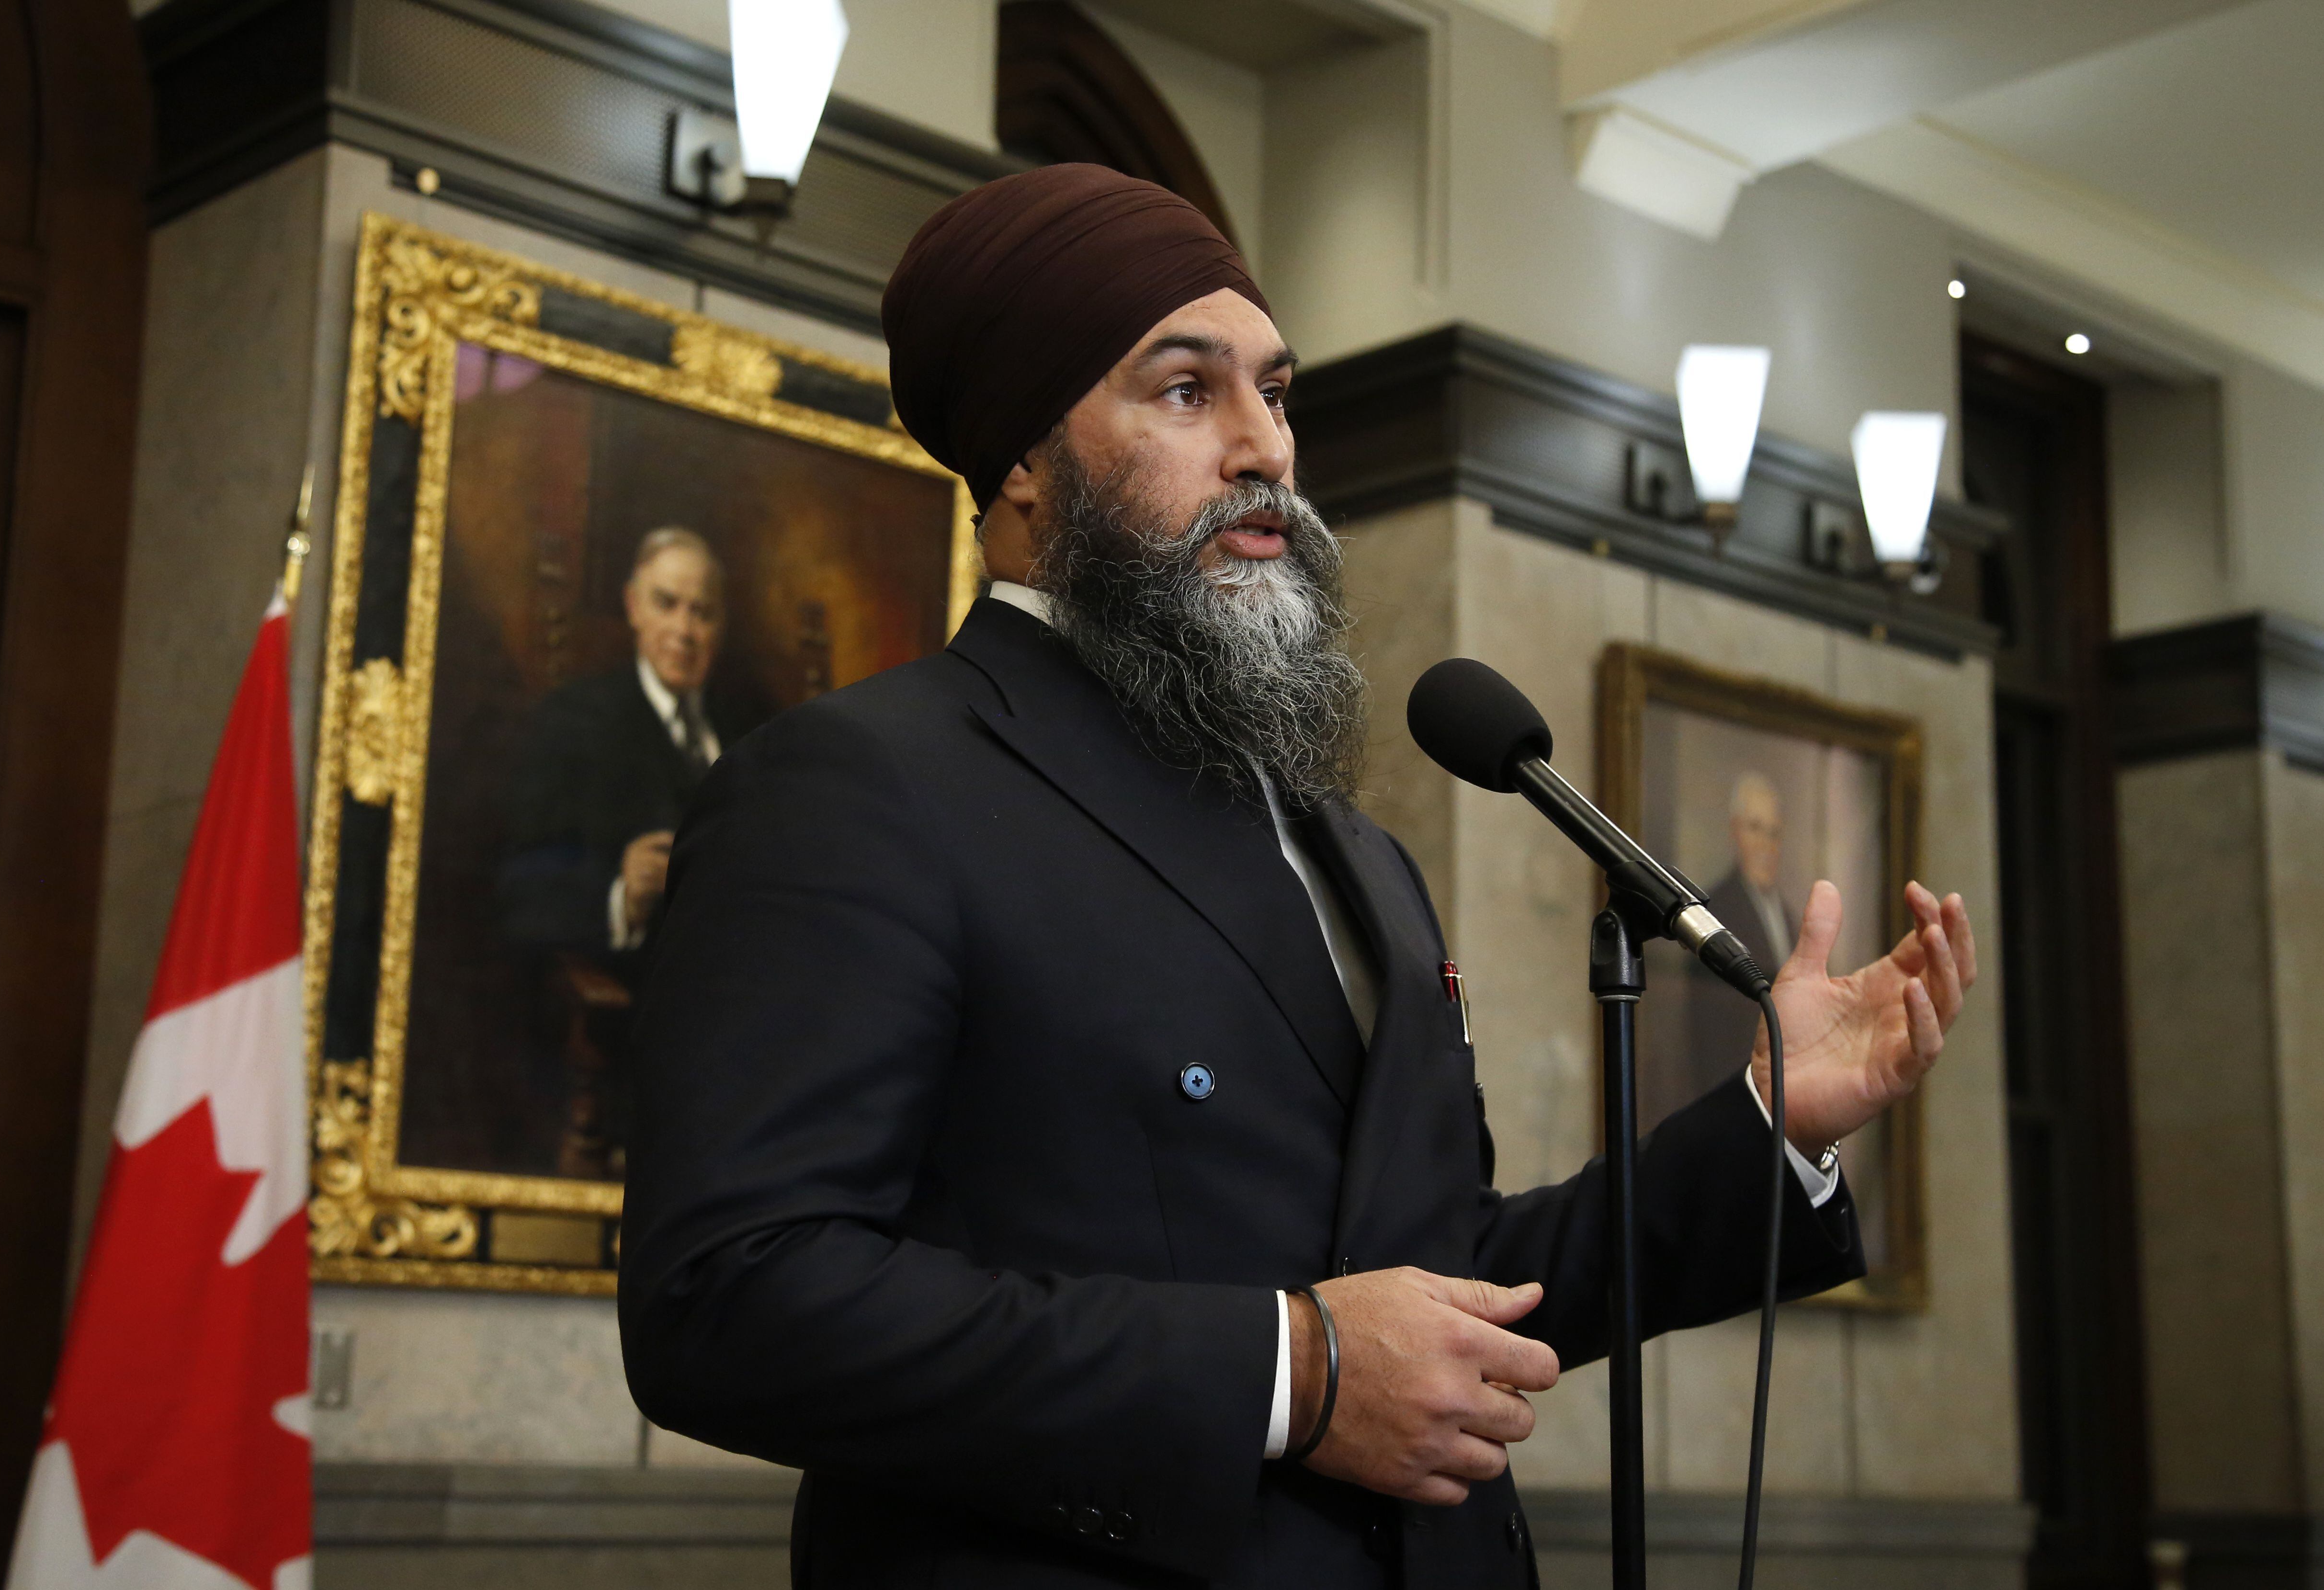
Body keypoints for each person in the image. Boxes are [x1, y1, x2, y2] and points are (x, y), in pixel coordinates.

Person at [618, 164, 1977, 1589]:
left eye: (1275, 390)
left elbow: (1440, 1271)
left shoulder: (1353, 849)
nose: (1263, 444)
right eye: (1186, 390)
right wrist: (1293, 1364)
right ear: (1021, 457)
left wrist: (1773, 1122)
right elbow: (733, 1298)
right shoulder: (864, 784)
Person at [499, 527, 738, 969]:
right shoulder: (572, 724)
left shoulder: (747, 728)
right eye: (665, 604)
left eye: (702, 613)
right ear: (633, 607)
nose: (683, 630)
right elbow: (522, 893)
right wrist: (621, 898)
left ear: (721, 625)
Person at [1678, 772, 1804, 1112]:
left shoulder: (1791, 920)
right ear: (1736, 832)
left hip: (1788, 1098)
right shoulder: (1715, 913)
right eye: (1755, 828)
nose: (1766, 843)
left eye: (1774, 832)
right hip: (1738, 1097)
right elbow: (1708, 1034)